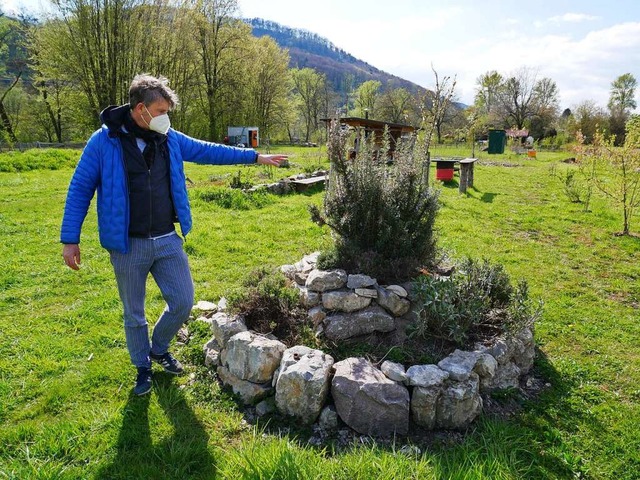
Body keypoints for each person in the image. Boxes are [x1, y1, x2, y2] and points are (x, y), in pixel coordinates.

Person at [60, 74, 286, 396]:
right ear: (141, 109)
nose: (166, 116)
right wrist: (71, 239)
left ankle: (159, 347)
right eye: (161, 109)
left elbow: (209, 151)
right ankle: (142, 368)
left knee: (183, 301)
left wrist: (254, 156)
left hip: (167, 239)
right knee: (134, 314)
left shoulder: (168, 137)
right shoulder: (104, 141)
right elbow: (80, 188)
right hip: (127, 245)